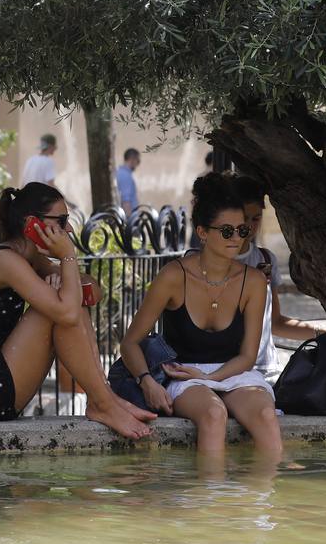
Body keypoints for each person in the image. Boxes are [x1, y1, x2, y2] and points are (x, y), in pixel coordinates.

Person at [0, 182, 155, 437]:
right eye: (61, 220)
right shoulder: (4, 261)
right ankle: (104, 403)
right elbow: (67, 313)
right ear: (32, 223)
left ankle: (104, 399)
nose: (68, 229)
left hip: (0, 381)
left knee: (66, 304)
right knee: (60, 310)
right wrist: (67, 259)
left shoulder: (30, 259)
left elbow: (92, 293)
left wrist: (65, 282)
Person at [120, 173, 280, 458]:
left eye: (242, 231)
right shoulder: (173, 275)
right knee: (213, 414)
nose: (237, 239)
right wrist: (147, 381)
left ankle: (264, 499)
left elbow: (247, 356)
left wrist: (214, 378)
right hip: (182, 375)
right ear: (204, 232)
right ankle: (208, 500)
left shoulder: (254, 281)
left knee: (267, 416)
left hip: (234, 372)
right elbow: (131, 342)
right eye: (227, 231)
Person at [225, 174, 326, 382]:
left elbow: (275, 322)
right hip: (223, 367)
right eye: (243, 218)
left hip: (265, 370)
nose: (249, 226)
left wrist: (324, 332)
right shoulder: (205, 261)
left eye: (256, 218)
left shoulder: (265, 260)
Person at [116, 148, 141, 216]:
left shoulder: (120, 172)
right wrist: (130, 222)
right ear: (132, 159)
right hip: (129, 218)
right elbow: (126, 201)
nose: (138, 164)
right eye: (138, 161)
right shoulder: (126, 176)